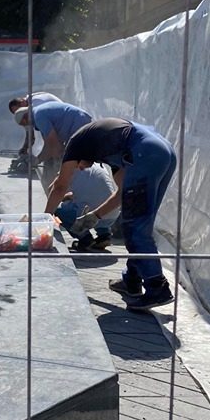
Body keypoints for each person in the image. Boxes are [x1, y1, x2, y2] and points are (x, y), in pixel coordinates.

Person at [44, 117, 177, 310]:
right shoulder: (108, 148)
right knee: (141, 224)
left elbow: (60, 186)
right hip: (162, 152)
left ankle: (158, 287)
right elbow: (123, 191)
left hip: (146, 153)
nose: (80, 168)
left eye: (78, 166)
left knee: (134, 226)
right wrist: (94, 217)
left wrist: (44, 222)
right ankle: (132, 280)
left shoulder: (76, 143)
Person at [55, 163, 119, 252]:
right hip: (111, 211)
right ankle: (104, 235)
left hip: (91, 213)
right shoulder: (101, 165)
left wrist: (48, 212)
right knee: (95, 201)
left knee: (57, 210)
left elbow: (55, 189)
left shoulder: (70, 165)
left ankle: (85, 238)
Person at [8, 91, 61, 156]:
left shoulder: (36, 106)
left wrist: (40, 158)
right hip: (54, 118)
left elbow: (49, 140)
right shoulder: (25, 112)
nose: (19, 114)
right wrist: (24, 149)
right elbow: (30, 136)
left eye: (19, 110)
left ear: (23, 102)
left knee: (54, 147)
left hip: (60, 118)